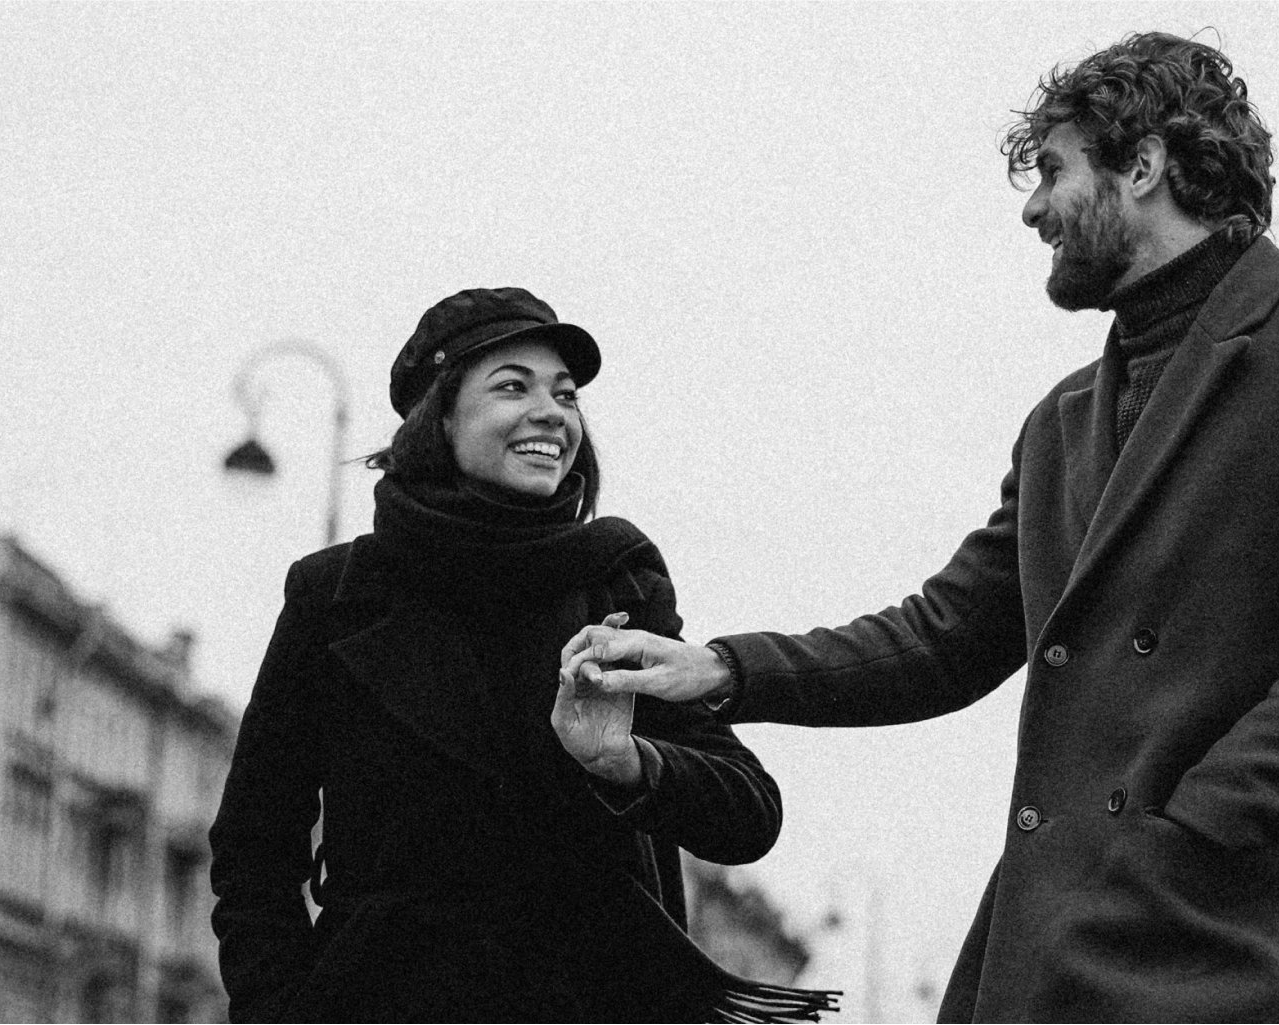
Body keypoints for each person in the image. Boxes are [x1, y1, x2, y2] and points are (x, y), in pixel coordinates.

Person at [562, 32, 1279, 1024]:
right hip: (1041, 943)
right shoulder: (1060, 424)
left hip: (1211, 945)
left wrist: (1198, 822)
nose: (1033, 208)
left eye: (1054, 170)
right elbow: (942, 637)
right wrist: (724, 669)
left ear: (1147, 164)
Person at [210, 287, 838, 1023]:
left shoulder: (616, 580)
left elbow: (747, 813)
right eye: (513, 385)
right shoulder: (337, 594)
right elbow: (255, 843)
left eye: (566, 395)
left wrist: (626, 760)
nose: (553, 413)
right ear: (438, 415)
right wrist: (281, 1008)